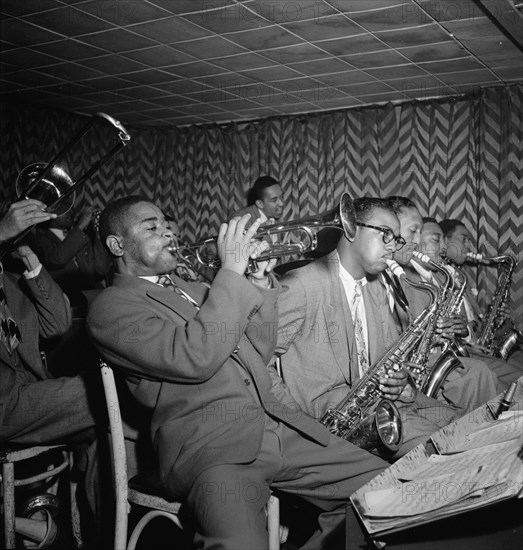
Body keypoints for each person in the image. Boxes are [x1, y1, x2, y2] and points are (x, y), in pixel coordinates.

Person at [87, 195, 388, 550]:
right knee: (239, 543)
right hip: (212, 446)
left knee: (388, 490)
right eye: (151, 228)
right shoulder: (110, 308)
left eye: (167, 225)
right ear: (117, 244)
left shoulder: (197, 290)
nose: (168, 234)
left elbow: (258, 351)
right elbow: (194, 357)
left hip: (275, 429)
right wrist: (230, 273)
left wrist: (259, 284)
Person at [270, 197, 458, 460]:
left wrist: (401, 381)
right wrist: (298, 422)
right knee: (441, 451)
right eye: (385, 234)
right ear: (351, 228)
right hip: (328, 422)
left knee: (463, 425)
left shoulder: (378, 287)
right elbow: (257, 364)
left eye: (396, 238)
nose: (393, 246)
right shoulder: (302, 285)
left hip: (380, 405)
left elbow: (391, 359)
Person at [0, 199, 103, 539]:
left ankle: (95, 529)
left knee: (99, 431)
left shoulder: (12, 280)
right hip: (5, 404)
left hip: (25, 397)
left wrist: (30, 262)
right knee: (104, 391)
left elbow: (57, 323)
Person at [386, 197, 500, 412]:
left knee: (483, 378)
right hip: (413, 370)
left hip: (433, 361)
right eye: (414, 232)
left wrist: (457, 329)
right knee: (478, 378)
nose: (418, 241)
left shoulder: (438, 277)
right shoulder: (400, 276)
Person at [29, 205, 111, 314]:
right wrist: (80, 226)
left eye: (72, 208)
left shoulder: (82, 236)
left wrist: (98, 234)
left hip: (88, 300)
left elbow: (101, 269)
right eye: (64, 209)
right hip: (62, 302)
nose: (70, 212)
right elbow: (57, 259)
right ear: (49, 215)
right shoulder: (41, 240)